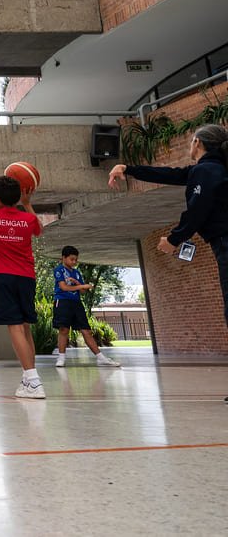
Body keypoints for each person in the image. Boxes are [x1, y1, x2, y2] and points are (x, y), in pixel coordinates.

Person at [109, 124, 228, 399]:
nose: (189, 145)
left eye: (190, 141)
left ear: (198, 142)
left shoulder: (207, 171)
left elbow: (199, 210)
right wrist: (129, 169)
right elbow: (170, 175)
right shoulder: (210, 170)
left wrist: (174, 239)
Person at [0, 175, 45, 399]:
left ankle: (33, 380)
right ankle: (29, 377)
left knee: (15, 328)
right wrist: (27, 202)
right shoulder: (28, 220)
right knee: (25, 326)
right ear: (19, 196)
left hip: (3, 276)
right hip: (26, 277)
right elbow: (39, 230)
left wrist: (3, 198)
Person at [52, 245, 121, 369]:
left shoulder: (77, 272)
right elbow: (64, 287)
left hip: (76, 303)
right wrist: (82, 286)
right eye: (71, 259)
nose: (74, 262)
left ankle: (100, 358)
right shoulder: (59, 270)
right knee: (64, 330)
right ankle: (61, 358)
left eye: (76, 260)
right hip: (62, 302)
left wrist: (80, 284)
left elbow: (82, 292)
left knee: (86, 331)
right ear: (64, 258)